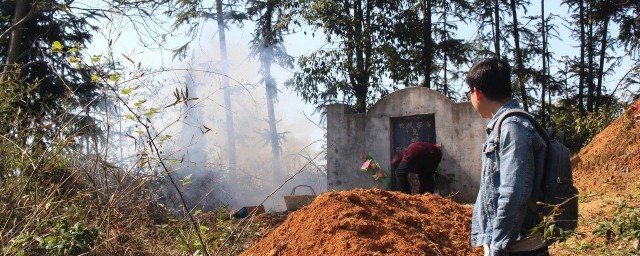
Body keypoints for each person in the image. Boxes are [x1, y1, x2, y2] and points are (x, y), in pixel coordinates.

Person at [467, 58, 548, 256]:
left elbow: (514, 191)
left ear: (477, 92)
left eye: (469, 92)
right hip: (510, 243)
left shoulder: (513, 127)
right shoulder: (502, 126)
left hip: (519, 246)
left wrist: (498, 245)